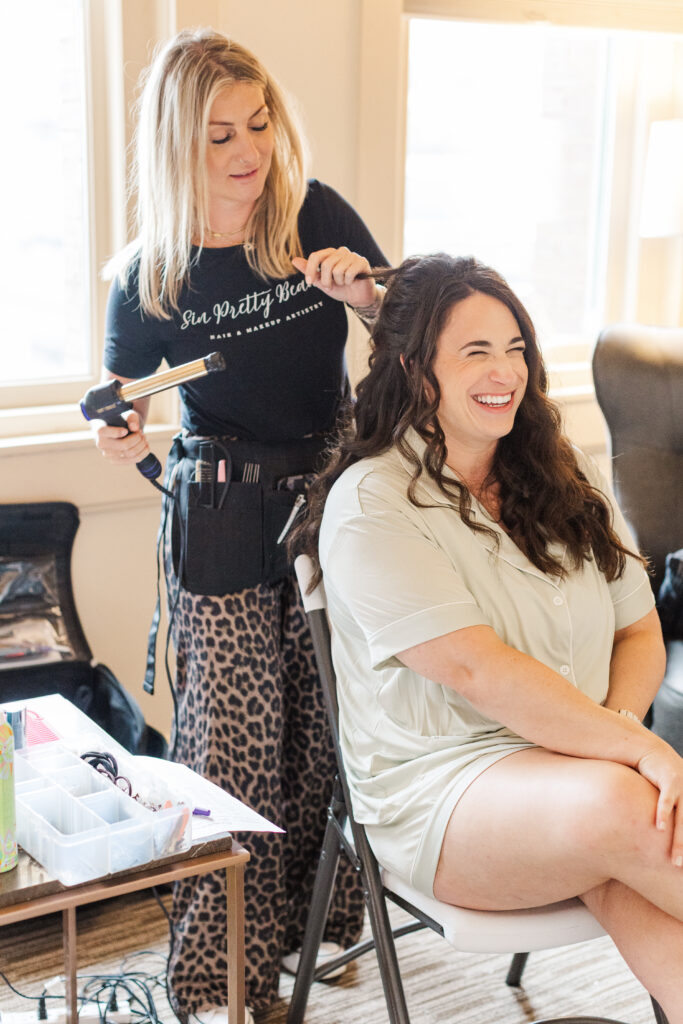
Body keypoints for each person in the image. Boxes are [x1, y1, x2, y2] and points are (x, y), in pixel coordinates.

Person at [295, 253, 683, 1023]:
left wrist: (602, 734)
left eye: (514, 348)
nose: (503, 368)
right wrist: (625, 746)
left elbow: (637, 627)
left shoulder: (560, 478)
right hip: (439, 790)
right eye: (475, 351)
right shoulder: (372, 502)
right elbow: (475, 668)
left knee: (625, 831)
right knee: (627, 803)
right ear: (415, 369)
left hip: (567, 772)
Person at [93, 27, 387, 1023]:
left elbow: (411, 331)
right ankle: (223, 976)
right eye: (219, 134)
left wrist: (367, 297)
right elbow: (129, 420)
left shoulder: (314, 214)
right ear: (179, 145)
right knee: (231, 755)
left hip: (328, 493)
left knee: (320, 736)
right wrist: (124, 436)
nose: (247, 152)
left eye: (258, 124)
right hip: (217, 506)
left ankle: (317, 931)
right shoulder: (145, 278)